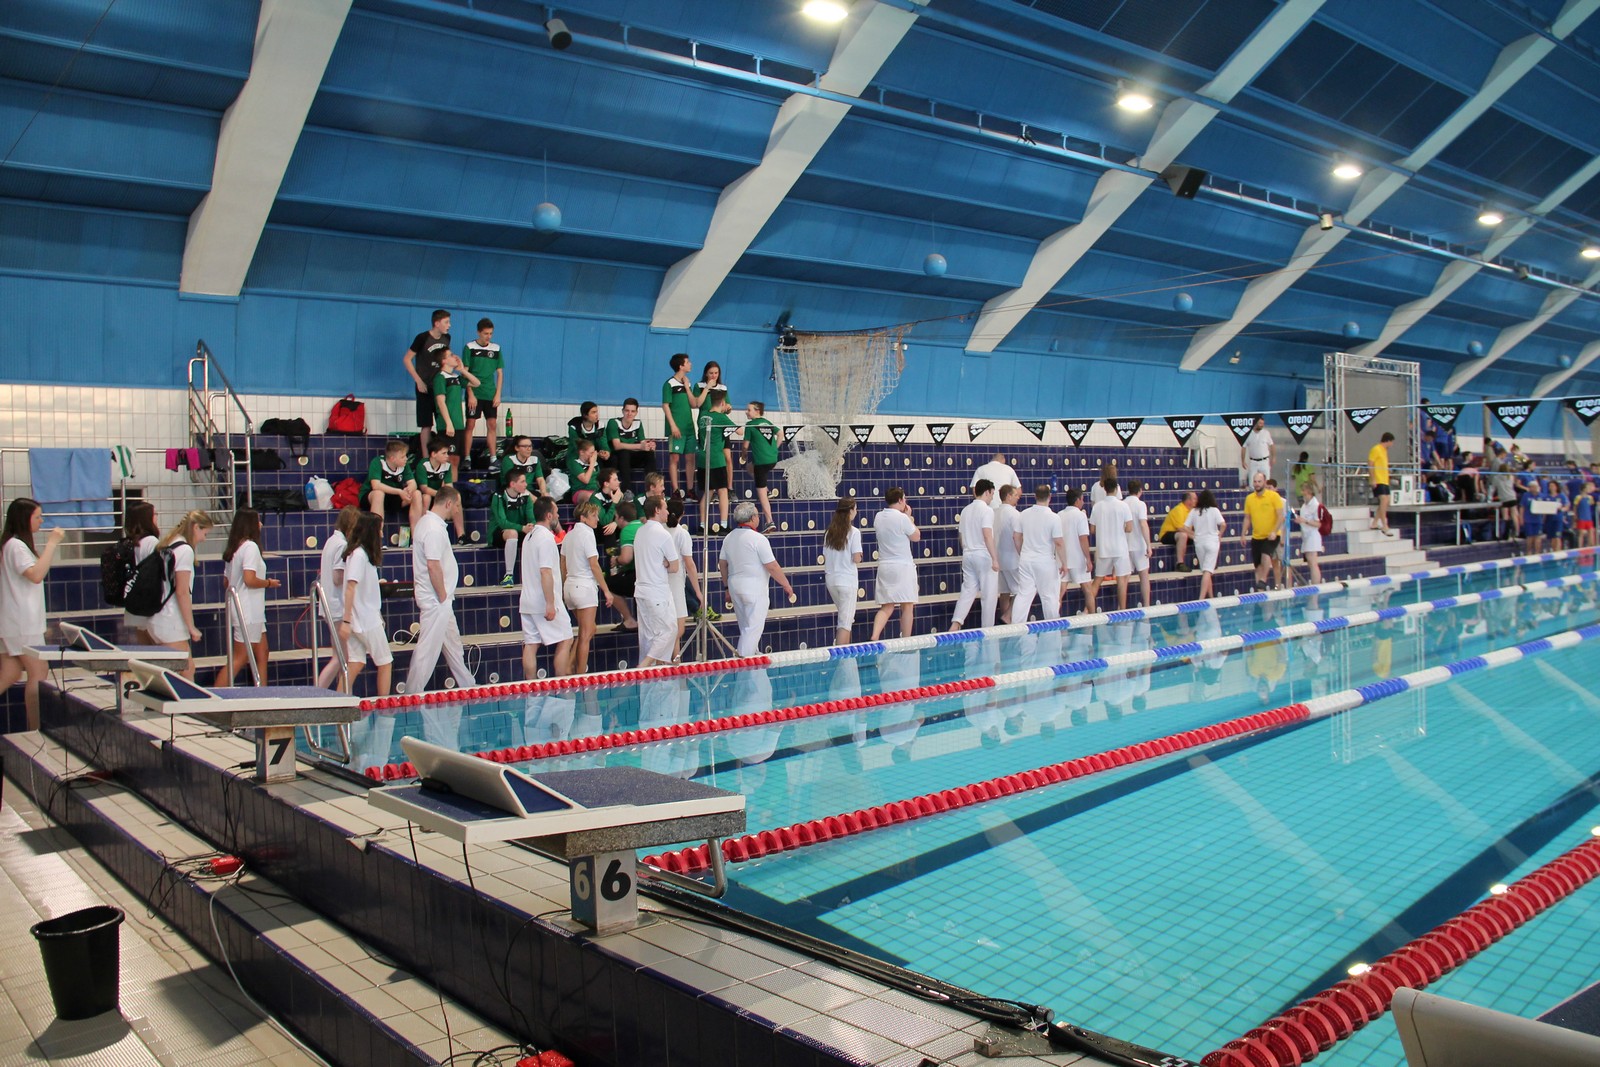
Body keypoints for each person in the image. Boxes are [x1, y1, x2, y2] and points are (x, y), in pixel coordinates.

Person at [0, 499, 67, 729]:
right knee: (38, 673)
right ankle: (35, 730)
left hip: (12, 623)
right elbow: (36, 574)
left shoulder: (10, 545)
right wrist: (52, 543)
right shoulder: (16, 546)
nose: (41, 521)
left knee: (9, 674)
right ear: (24, 519)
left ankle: (33, 729)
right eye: (37, 517)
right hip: (22, 623)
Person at [405, 486, 477, 695]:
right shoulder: (433, 529)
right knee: (427, 651)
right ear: (448, 503)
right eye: (457, 505)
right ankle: (412, 693)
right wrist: (443, 596)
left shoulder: (428, 523)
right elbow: (433, 565)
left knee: (453, 646)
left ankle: (468, 686)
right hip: (436, 599)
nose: (458, 510)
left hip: (440, 599)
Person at [146, 510, 215, 678]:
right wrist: (191, 627)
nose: (204, 539)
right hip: (171, 621)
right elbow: (182, 591)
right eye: (204, 534)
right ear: (196, 527)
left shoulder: (169, 543)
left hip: (157, 618)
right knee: (186, 670)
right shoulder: (185, 550)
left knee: (174, 672)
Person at [214, 508, 279, 686]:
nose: (261, 524)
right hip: (248, 611)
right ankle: (215, 694)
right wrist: (268, 583)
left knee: (262, 652)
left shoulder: (235, 548)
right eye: (258, 521)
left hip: (246, 608)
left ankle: (262, 693)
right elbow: (249, 579)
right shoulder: (250, 547)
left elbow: (226, 582)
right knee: (240, 657)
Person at [719, 502, 793, 657]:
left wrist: (726, 588)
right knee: (752, 629)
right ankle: (742, 662)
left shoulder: (728, 538)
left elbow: (723, 564)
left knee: (745, 627)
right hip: (754, 588)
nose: (759, 518)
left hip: (734, 586)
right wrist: (786, 584)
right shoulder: (758, 539)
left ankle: (753, 656)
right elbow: (772, 566)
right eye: (758, 515)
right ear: (753, 518)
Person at [520, 496, 574, 678]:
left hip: (527, 601)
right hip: (543, 600)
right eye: (556, 512)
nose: (558, 515)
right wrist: (550, 603)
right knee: (566, 638)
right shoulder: (545, 539)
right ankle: (561, 684)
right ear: (549, 515)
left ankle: (531, 687)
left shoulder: (528, 537)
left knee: (531, 644)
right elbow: (545, 571)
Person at [339, 513, 391, 696]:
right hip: (365, 620)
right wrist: (346, 621)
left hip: (359, 619)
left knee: (356, 662)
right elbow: (350, 588)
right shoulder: (359, 555)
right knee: (385, 662)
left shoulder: (360, 555)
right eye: (380, 530)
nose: (382, 534)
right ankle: (385, 707)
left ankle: (338, 702)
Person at [561, 500, 613, 675]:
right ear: (583, 518)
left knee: (590, 628)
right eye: (593, 515)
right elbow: (594, 564)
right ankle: (580, 675)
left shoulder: (569, 536)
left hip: (570, 587)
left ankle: (568, 666)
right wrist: (606, 590)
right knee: (585, 635)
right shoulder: (588, 534)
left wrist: (564, 586)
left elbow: (563, 564)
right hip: (584, 588)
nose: (597, 519)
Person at [316, 507, 363, 690]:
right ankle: (318, 694)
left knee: (340, 657)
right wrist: (356, 576)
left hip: (329, 604)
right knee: (341, 658)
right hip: (336, 606)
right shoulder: (342, 545)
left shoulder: (331, 541)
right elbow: (337, 578)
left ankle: (336, 694)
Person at [632, 495, 680, 667]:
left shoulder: (640, 531)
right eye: (665, 508)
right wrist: (666, 563)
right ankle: (644, 666)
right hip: (657, 591)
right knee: (669, 630)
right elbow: (675, 567)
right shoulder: (663, 534)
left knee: (647, 636)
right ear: (657, 510)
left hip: (641, 590)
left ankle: (647, 672)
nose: (668, 512)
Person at [870, 488, 920, 641]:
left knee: (886, 606)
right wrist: (909, 517)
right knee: (907, 606)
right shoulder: (902, 518)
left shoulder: (878, 517)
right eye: (904, 498)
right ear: (900, 500)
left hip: (885, 566)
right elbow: (916, 536)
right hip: (902, 566)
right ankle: (906, 640)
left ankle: (875, 636)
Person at [949, 480, 999, 631]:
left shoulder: (965, 510)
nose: (992, 498)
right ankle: (988, 630)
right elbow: (987, 535)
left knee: (967, 591)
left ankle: (956, 624)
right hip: (983, 555)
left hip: (968, 554)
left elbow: (961, 536)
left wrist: (967, 549)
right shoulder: (987, 510)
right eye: (992, 494)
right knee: (989, 595)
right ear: (987, 492)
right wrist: (994, 558)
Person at [1010, 485, 1064, 622]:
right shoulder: (1054, 517)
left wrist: (1022, 553)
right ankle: (1053, 627)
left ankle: (1016, 626)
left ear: (1035, 496)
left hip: (1026, 560)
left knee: (1023, 595)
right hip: (1045, 562)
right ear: (1049, 497)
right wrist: (1065, 563)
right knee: (1049, 597)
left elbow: (1016, 537)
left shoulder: (1024, 514)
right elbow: (1059, 543)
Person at [402, 309, 450, 458]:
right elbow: (407, 359)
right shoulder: (422, 338)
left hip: (439, 386)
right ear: (437, 323)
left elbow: (445, 360)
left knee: (442, 422)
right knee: (426, 425)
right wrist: (418, 380)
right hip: (424, 386)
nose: (449, 325)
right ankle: (425, 458)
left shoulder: (447, 338)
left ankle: (441, 455)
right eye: (446, 322)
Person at [461, 317, 503, 466]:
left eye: (491, 333)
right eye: (486, 333)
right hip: (475, 393)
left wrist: (498, 394)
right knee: (470, 424)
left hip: (490, 393)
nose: (488, 336)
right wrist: (470, 394)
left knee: (492, 425)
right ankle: (467, 458)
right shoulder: (469, 347)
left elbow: (500, 373)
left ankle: (493, 458)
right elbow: (465, 373)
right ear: (478, 332)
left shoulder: (496, 348)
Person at [1088, 476, 1134, 611]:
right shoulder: (1123, 506)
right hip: (1120, 548)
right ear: (1116, 489)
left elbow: (1092, 530)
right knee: (1122, 580)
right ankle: (1122, 609)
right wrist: (1118, 528)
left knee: (1097, 580)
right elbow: (1129, 528)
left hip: (1103, 548)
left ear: (1105, 489)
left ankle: (1088, 610)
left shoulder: (1097, 507)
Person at [665, 498, 703, 657]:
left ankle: (674, 660)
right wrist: (698, 592)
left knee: (670, 627)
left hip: (661, 581)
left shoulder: (660, 530)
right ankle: (665, 660)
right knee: (678, 628)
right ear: (683, 514)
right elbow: (690, 564)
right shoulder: (681, 533)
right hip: (675, 583)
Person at [431, 348, 479, 475]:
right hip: (447, 426)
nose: (455, 357)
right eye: (451, 355)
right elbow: (441, 401)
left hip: (458, 425)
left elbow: (476, 383)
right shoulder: (440, 377)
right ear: (444, 360)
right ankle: (445, 486)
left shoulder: (456, 377)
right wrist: (448, 423)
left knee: (456, 460)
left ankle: (452, 486)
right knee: (447, 460)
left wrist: (462, 370)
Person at [823, 497, 862, 646]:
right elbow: (856, 558)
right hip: (847, 580)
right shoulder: (854, 532)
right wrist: (860, 556)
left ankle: (847, 653)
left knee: (847, 618)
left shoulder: (829, 533)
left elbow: (825, 555)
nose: (856, 512)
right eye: (855, 509)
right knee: (844, 623)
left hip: (831, 580)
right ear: (850, 511)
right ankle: (840, 655)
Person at [119, 500, 160, 642]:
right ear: (146, 519)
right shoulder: (152, 542)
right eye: (154, 514)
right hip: (149, 603)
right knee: (159, 650)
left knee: (145, 648)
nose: (157, 517)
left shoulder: (129, 542)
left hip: (133, 602)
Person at [410, 438, 465, 543]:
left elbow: (449, 486)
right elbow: (424, 488)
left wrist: (451, 496)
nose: (447, 456)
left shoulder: (447, 466)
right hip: (424, 496)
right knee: (426, 498)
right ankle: (422, 531)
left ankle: (461, 535)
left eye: (447, 453)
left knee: (456, 496)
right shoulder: (423, 465)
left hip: (438, 495)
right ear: (433, 454)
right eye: (444, 453)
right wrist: (441, 495)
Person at [489, 469, 537, 586]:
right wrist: (522, 528)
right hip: (499, 533)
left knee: (537, 532)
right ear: (512, 484)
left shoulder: (526, 496)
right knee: (512, 533)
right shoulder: (498, 496)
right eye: (522, 482)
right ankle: (509, 575)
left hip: (520, 530)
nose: (526, 484)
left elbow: (531, 518)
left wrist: (531, 525)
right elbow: (502, 522)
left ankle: (536, 574)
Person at [697, 395, 738, 532]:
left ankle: (702, 526)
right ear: (722, 403)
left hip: (702, 459)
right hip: (716, 459)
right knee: (723, 491)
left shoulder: (702, 415)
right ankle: (723, 525)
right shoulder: (721, 418)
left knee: (707, 493)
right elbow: (739, 431)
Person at [1241, 471, 1285, 591]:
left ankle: (1263, 580)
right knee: (1258, 566)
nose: (1257, 484)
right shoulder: (1249, 499)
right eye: (1255, 482)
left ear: (1264, 482)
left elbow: (1280, 516)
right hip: (1257, 536)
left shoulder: (1274, 496)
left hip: (1272, 536)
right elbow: (1247, 518)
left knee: (1266, 554)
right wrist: (1243, 534)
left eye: (1259, 481)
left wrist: (1274, 531)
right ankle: (1260, 590)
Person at [661, 353, 697, 498]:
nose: (690, 364)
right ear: (681, 366)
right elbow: (665, 406)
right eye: (688, 362)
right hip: (676, 428)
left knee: (690, 459)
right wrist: (673, 426)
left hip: (689, 428)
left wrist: (687, 387)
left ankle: (690, 489)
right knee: (674, 459)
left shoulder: (687, 383)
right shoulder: (669, 384)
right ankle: (676, 490)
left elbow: (693, 404)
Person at [742, 400, 780, 532]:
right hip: (772, 459)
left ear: (757, 411)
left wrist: (743, 455)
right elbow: (780, 434)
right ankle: (767, 490)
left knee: (761, 493)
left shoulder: (750, 425)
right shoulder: (768, 423)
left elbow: (745, 446)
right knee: (749, 467)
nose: (746, 412)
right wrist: (775, 448)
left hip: (761, 463)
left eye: (749, 410)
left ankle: (770, 521)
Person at [365, 439, 418, 530]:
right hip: (373, 496)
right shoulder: (378, 462)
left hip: (394, 498)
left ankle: (416, 534)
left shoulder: (404, 465)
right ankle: (377, 533)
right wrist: (399, 491)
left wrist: (409, 489)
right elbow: (376, 485)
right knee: (379, 494)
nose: (406, 458)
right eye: (402, 457)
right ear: (392, 458)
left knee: (417, 494)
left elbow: (413, 483)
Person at [607, 397, 656, 491]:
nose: (629, 414)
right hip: (617, 459)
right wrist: (640, 446)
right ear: (622, 411)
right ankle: (627, 491)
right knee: (624, 452)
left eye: (633, 411)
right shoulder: (614, 422)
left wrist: (649, 446)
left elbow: (643, 443)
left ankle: (653, 488)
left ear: (636, 412)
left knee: (649, 453)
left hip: (631, 457)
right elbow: (617, 445)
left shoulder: (638, 423)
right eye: (627, 411)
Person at [1185, 489, 1226, 600]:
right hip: (1212, 542)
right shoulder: (1214, 510)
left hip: (1199, 543)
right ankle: (1201, 598)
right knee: (1208, 571)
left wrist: (1193, 535)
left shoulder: (1194, 511)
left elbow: (1185, 527)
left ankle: (1211, 597)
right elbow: (1223, 525)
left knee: (1206, 570)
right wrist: (1220, 535)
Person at [1058, 487, 1092, 615]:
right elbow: (1083, 539)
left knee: (1059, 593)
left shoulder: (1059, 515)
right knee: (1088, 590)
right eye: (1082, 499)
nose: (1083, 502)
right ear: (1077, 500)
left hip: (1062, 560)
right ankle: (1094, 619)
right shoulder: (1080, 515)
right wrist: (1088, 559)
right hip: (1078, 559)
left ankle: (1053, 619)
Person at [993, 484, 1022, 623]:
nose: (1018, 497)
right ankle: (1007, 616)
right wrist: (1022, 554)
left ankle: (1006, 623)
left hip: (999, 558)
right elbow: (1017, 536)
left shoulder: (994, 512)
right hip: (1012, 558)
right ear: (1008, 496)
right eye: (1015, 495)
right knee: (1022, 590)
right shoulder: (1014, 514)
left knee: (1004, 592)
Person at [1125, 480, 1152, 607]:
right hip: (1139, 545)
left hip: (1126, 545)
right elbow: (1143, 524)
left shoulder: (1123, 504)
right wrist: (1149, 545)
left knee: (1125, 578)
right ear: (1140, 490)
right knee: (1144, 576)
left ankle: (1121, 607)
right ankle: (1146, 605)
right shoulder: (1140, 505)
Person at [1293, 477, 1325, 584]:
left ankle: (1316, 585)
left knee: (1313, 562)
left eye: (1303, 491)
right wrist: (1299, 520)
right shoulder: (1304, 505)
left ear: (1309, 492)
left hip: (1313, 536)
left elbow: (1319, 524)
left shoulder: (1316, 505)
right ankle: (1314, 584)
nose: (1302, 493)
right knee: (1310, 562)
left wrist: (1305, 521)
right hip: (1306, 536)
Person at [1159, 491, 1196, 572]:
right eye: (1194, 499)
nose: (1196, 501)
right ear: (1188, 500)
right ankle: (1180, 563)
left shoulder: (1192, 512)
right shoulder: (1179, 509)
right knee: (1183, 535)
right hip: (1167, 534)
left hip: (1181, 534)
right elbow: (1180, 528)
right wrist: (1194, 536)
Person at [1368, 431, 1396, 534]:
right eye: (1391, 442)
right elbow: (1370, 464)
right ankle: (1385, 524)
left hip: (1385, 480)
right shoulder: (1376, 449)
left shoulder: (1384, 451)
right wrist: (1373, 479)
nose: (1392, 445)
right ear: (1388, 441)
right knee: (1383, 500)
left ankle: (1375, 522)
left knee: (1386, 501)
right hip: (1378, 480)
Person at [1242, 415, 1275, 486]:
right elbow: (1243, 448)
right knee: (1252, 483)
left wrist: (1274, 457)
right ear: (1255, 423)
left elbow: (1272, 445)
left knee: (1266, 482)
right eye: (1260, 423)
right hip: (1253, 462)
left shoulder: (1266, 433)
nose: (1261, 425)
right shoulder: (1248, 434)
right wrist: (1243, 461)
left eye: (1263, 424)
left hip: (1264, 461)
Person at [566, 438, 601, 504]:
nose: (593, 456)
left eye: (593, 453)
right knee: (592, 498)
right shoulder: (575, 463)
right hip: (580, 491)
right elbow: (586, 480)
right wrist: (592, 464)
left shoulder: (595, 464)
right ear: (582, 452)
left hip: (595, 490)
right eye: (591, 453)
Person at [1576, 480, 1596, 549]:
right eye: (1588, 488)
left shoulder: (1590, 498)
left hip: (1589, 518)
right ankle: (1580, 547)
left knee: (1591, 532)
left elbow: (1591, 506)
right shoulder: (1578, 497)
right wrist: (1576, 517)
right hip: (1581, 518)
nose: (1589, 489)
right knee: (1581, 534)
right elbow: (1575, 508)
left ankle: (1591, 547)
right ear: (1584, 489)